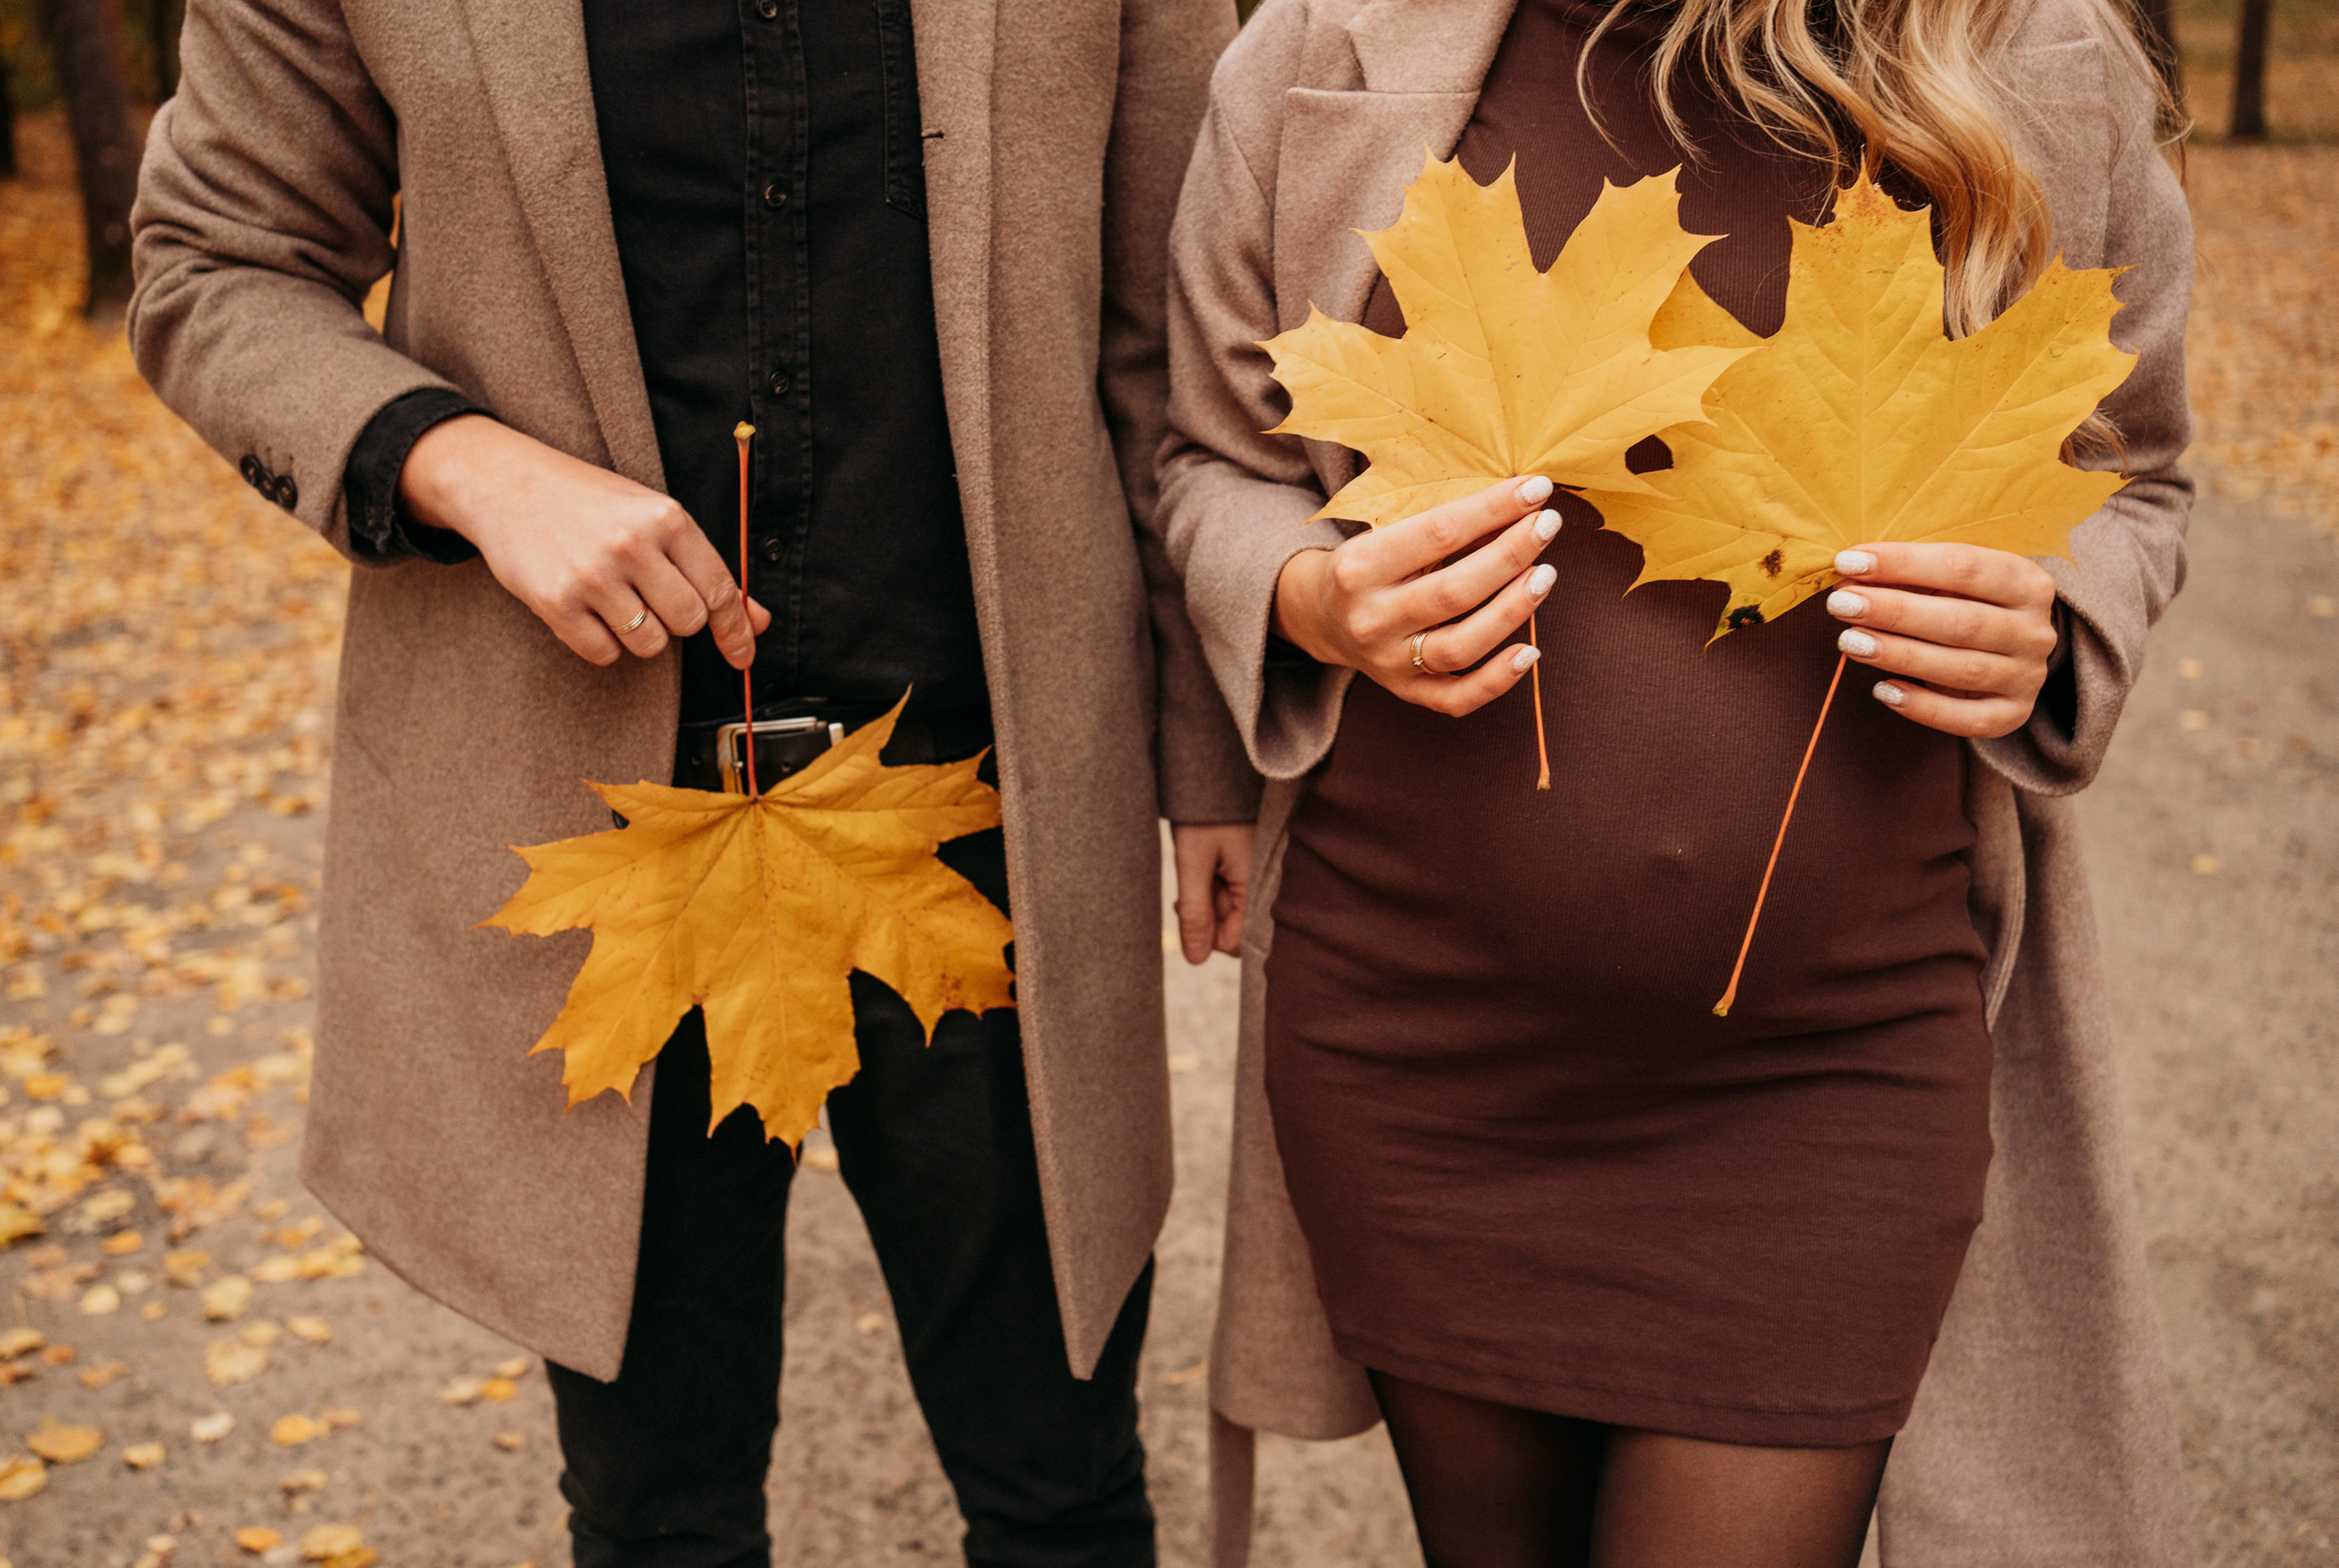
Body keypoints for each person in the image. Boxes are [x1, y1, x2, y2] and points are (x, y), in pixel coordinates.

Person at [128, 2, 1261, 1563]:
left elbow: (1171, 328)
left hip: (986, 812)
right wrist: (454, 457)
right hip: (585, 817)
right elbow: (213, 260)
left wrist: (1210, 755)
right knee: (659, 1512)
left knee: (1059, 1488)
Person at [1158, 0, 2192, 1563]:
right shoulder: (1323, 40)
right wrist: (1311, 597)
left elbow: (2140, 474)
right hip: (1419, 1045)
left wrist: (2058, 625)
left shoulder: (2034, 52)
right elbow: (1208, 459)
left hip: (1831, 1066)